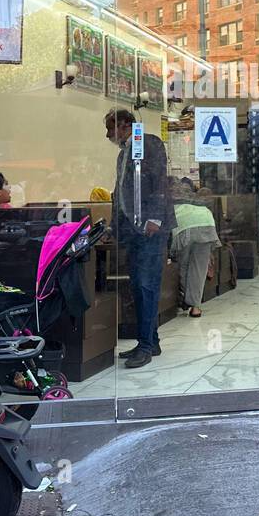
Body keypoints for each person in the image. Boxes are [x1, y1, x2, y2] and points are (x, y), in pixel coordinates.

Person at [104, 108, 174, 368]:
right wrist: (114, 226)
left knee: (146, 285)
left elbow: (159, 182)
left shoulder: (149, 143)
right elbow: (120, 192)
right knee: (139, 285)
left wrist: (154, 218)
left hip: (150, 228)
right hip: (133, 230)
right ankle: (150, 340)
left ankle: (145, 346)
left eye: (110, 128)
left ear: (124, 125)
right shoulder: (125, 153)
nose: (107, 134)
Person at [171, 179, 219, 318]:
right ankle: (195, 306)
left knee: (183, 266)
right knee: (199, 268)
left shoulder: (170, 199)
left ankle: (188, 301)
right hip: (206, 222)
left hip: (185, 227)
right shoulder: (195, 198)